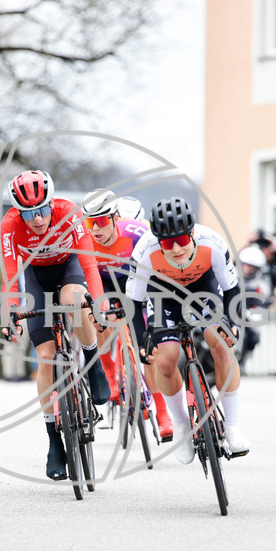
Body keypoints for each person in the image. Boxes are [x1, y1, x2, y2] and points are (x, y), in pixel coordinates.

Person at [0, 170, 111, 481]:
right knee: (46, 358)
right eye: (28, 213)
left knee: (73, 299)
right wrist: (9, 315)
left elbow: (89, 264)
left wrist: (99, 304)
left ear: (51, 204)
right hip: (37, 278)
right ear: (18, 213)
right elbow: (10, 276)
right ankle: (54, 440)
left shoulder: (68, 213)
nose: (37, 219)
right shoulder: (9, 225)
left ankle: (92, 361)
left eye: (42, 210)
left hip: (70, 267)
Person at [125, 197, 252, 463]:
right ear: (157, 240)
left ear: (192, 233)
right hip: (163, 294)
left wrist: (233, 323)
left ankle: (232, 426)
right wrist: (141, 340)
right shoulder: (145, 250)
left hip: (203, 288)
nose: (175, 249)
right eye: (167, 243)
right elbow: (133, 302)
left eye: (181, 240)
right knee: (165, 360)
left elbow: (232, 289)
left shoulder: (212, 242)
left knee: (221, 345)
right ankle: (182, 425)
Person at [80, 188, 173, 441]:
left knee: (148, 352)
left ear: (115, 217)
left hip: (133, 283)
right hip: (104, 284)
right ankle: (109, 371)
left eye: (101, 221)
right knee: (100, 316)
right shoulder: (85, 240)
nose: (95, 228)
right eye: (90, 223)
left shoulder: (136, 232)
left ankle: (162, 412)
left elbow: (156, 267)